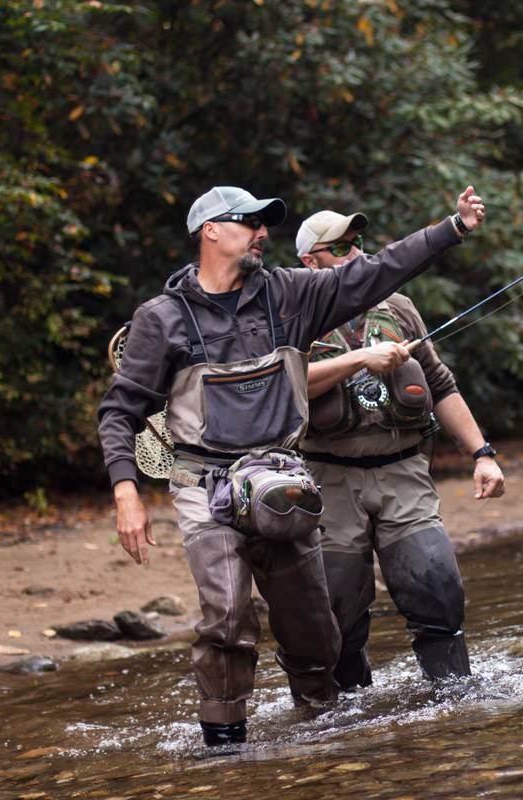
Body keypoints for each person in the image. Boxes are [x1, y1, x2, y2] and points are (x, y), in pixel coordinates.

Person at [97, 184, 486, 747]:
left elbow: (377, 272)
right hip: (203, 485)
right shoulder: (161, 320)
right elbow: (119, 412)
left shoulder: (290, 295)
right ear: (210, 231)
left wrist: (453, 228)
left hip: (285, 479)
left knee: (314, 635)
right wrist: (126, 494)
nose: (262, 233)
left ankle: (326, 739)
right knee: (228, 615)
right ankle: (224, 745)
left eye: (265, 224)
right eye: (249, 222)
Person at [295, 209, 505, 690]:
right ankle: (350, 719)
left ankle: (453, 706)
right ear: (310, 261)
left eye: (358, 242)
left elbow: (440, 384)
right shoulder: (291, 317)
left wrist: (482, 454)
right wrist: (357, 361)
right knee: (336, 617)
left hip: (403, 472)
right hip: (328, 480)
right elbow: (282, 388)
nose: (359, 253)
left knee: (437, 590)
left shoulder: (399, 307)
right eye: (343, 247)